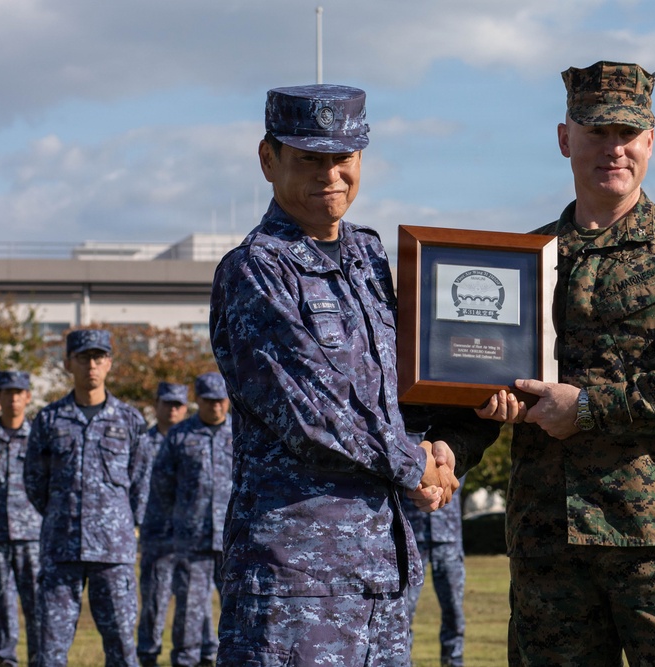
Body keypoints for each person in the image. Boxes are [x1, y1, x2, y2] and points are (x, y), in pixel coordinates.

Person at [464, 61, 655, 666]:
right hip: (548, 542)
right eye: (596, 132)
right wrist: (450, 448)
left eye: (627, 133)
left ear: (650, 140)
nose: (613, 149)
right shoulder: (523, 260)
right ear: (565, 138)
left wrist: (592, 409)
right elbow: (483, 374)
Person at [209, 84, 499, 667]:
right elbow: (313, 410)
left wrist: (467, 418)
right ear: (268, 159)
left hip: (381, 569)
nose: (330, 175)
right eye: (309, 158)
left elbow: (406, 390)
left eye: (342, 158)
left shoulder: (371, 261)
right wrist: (417, 464)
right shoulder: (256, 271)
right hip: (296, 577)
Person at [24, 329, 150, 667]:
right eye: (83, 358)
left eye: (98, 358)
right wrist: (59, 515)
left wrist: (126, 523)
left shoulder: (130, 421)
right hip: (61, 548)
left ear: (109, 363)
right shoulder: (49, 420)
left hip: (113, 550)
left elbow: (141, 482)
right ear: (68, 364)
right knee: (49, 649)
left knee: (122, 647)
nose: (90, 365)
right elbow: (35, 482)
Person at [148, 373, 231, 667]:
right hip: (190, 537)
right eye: (209, 401)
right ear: (197, 400)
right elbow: (162, 485)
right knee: (189, 607)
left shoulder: (243, 433)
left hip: (231, 538)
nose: (216, 407)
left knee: (236, 606)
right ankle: (186, 660)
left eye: (221, 401)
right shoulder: (180, 435)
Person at [399, 433, 466, 667]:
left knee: (454, 613)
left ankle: (453, 662)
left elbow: (458, 475)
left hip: (448, 537)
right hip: (412, 536)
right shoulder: (402, 434)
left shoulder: (449, 439)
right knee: (404, 612)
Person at [136, 382, 190, 667]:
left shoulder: (191, 441)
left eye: (177, 405)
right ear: (156, 405)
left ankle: (196, 653)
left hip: (189, 537)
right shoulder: (143, 443)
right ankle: (148, 654)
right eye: (167, 403)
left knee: (191, 601)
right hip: (156, 534)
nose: (172, 410)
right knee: (154, 600)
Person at [0, 371, 42, 667]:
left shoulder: (39, 437)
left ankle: (40, 659)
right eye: (7, 392)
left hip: (33, 536)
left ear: (28, 397)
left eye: (19, 392)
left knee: (37, 604)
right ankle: (5, 660)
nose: (13, 398)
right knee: (1, 604)